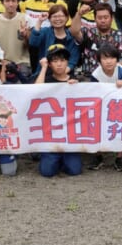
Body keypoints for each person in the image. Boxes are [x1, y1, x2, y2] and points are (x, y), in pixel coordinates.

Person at [35, 44, 82, 177]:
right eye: (55, 61)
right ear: (50, 64)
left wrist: (77, 87)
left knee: (74, 170)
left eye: (62, 60)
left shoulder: (75, 80)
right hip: (51, 133)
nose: (59, 64)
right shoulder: (46, 80)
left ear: (67, 62)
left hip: (70, 133)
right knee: (47, 172)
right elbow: (35, 91)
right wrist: (43, 68)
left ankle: (64, 159)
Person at [88, 44, 122, 171]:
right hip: (101, 107)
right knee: (96, 129)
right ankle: (98, 156)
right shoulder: (95, 74)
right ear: (99, 60)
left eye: (112, 58)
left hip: (120, 106)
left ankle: (119, 158)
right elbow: (92, 91)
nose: (108, 61)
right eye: (105, 58)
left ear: (117, 59)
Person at [70, 2, 122, 76]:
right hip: (88, 77)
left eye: (106, 17)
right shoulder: (88, 33)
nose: (103, 20)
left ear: (111, 18)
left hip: (111, 78)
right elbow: (74, 32)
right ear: (95, 19)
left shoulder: (120, 36)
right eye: (99, 18)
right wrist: (79, 14)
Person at [0, 0, 34, 82]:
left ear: (18, 2)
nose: (11, 4)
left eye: (13, 1)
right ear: (2, 2)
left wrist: (25, 36)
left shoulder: (26, 19)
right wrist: (2, 62)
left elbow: (32, 46)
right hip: (1, 63)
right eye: (7, 1)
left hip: (22, 63)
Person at [29, 4, 79, 78]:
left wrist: (60, 74)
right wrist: (39, 21)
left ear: (67, 18)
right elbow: (33, 43)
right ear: (49, 19)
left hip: (65, 74)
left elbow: (73, 59)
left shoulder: (71, 36)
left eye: (61, 16)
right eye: (54, 16)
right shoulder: (45, 32)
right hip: (44, 73)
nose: (58, 19)